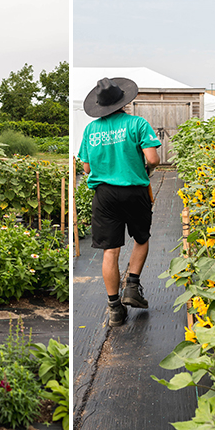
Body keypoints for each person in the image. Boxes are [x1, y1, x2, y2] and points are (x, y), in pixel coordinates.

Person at [78, 77, 162, 327]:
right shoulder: (137, 123)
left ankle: (114, 309)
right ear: (123, 101)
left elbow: (86, 165)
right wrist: (141, 166)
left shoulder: (91, 130)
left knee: (110, 251)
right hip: (133, 190)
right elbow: (154, 158)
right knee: (141, 239)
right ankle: (132, 286)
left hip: (103, 195)